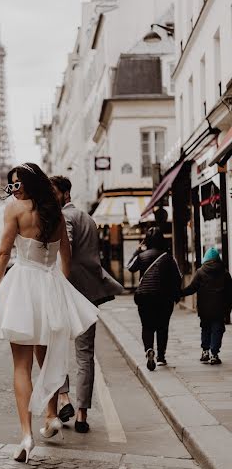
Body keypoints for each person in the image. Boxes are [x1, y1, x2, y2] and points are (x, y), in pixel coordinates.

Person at [0, 163, 99, 463]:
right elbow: (65, 258)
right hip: (49, 285)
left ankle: (26, 435)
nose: (13, 189)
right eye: (11, 185)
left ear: (29, 185)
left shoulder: (15, 210)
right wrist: (60, 289)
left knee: (21, 365)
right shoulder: (56, 213)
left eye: (17, 184)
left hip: (22, 286)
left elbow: (3, 254)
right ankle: (51, 416)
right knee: (47, 357)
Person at [50, 175, 123, 433]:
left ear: (65, 194)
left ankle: (64, 397)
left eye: (53, 192)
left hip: (67, 294)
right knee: (85, 355)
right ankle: (81, 415)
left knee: (55, 350)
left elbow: (65, 249)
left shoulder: (64, 218)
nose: (49, 196)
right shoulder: (89, 219)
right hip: (89, 296)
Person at [128, 227, 181, 371]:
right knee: (162, 327)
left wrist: (138, 250)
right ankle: (161, 357)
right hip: (164, 298)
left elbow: (130, 267)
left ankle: (149, 350)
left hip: (145, 297)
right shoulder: (168, 257)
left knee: (147, 326)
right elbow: (178, 277)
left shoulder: (142, 256)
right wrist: (176, 295)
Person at [182, 247, 232, 365]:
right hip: (219, 309)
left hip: (204, 309)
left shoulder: (200, 272)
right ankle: (214, 354)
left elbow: (192, 288)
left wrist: (179, 293)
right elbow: (230, 293)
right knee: (217, 330)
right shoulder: (225, 273)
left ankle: (205, 351)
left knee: (205, 329)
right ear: (217, 259)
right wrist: (228, 309)